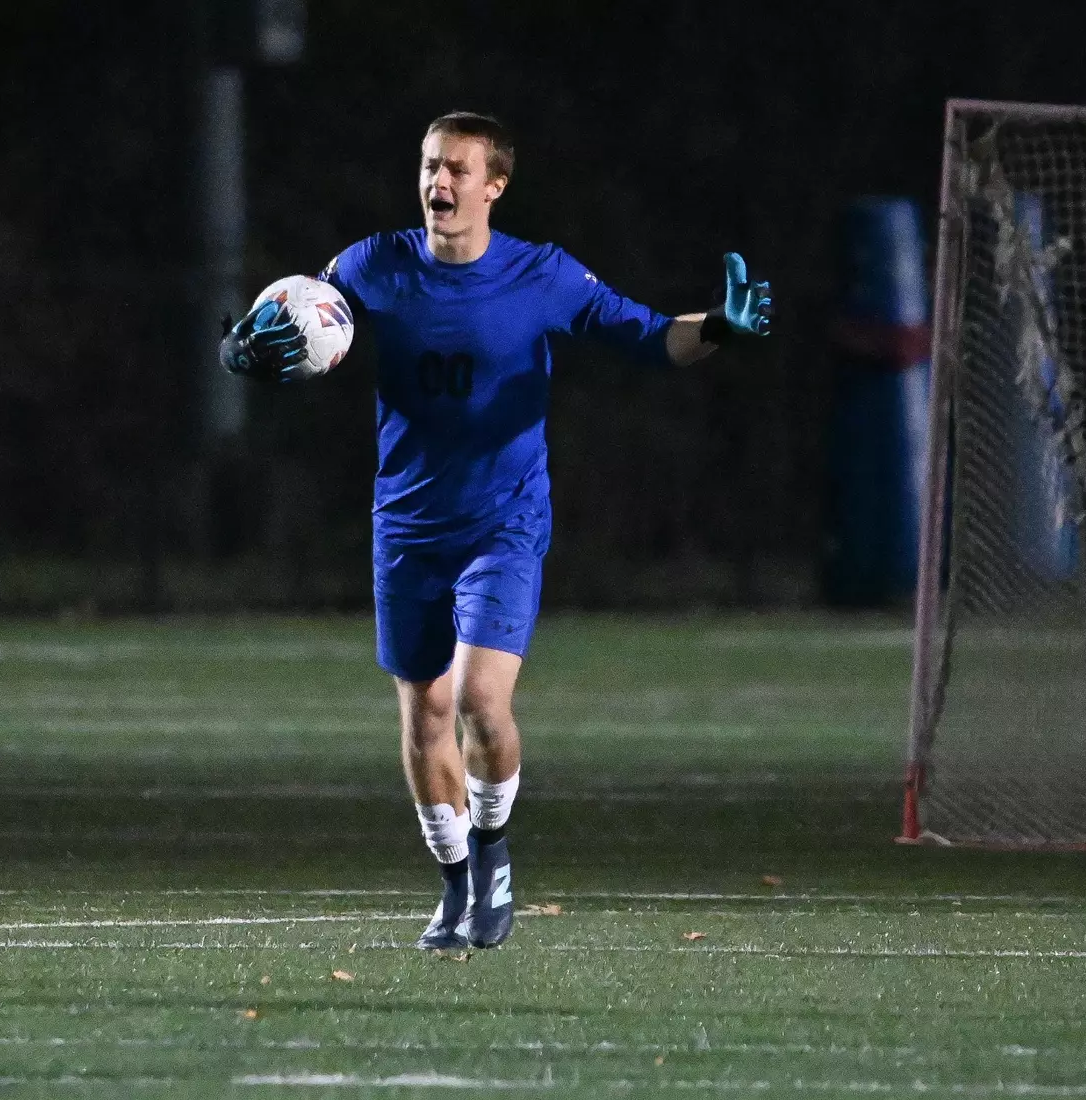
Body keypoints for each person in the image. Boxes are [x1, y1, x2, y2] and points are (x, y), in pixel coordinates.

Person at [218, 112, 773, 951]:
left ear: (495, 186)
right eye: (429, 167)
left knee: (480, 701)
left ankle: (492, 855)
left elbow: (654, 338)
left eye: (457, 171)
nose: (438, 184)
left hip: (504, 523)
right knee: (424, 711)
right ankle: (450, 888)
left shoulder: (541, 276)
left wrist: (720, 329)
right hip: (406, 524)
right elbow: (302, 312)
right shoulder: (374, 263)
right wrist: (243, 350)